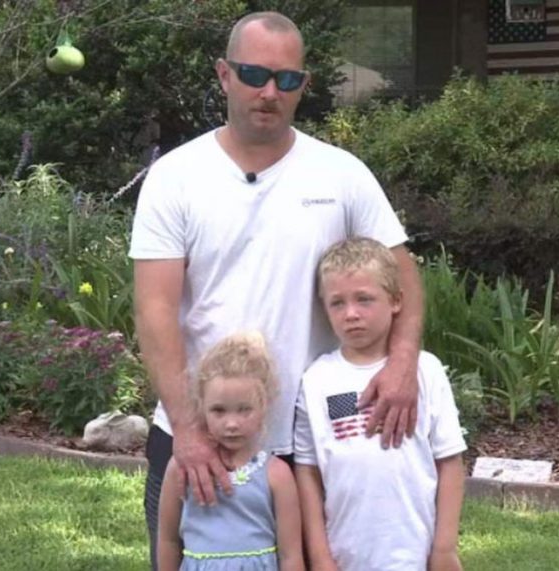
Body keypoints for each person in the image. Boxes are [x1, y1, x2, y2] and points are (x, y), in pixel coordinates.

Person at [129, 11, 424, 569]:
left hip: (313, 436)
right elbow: (155, 308)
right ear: (223, 74)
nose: (270, 91)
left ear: (304, 86)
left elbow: (403, 276)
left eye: (287, 80)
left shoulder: (341, 174)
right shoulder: (176, 176)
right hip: (201, 432)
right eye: (254, 75)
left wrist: (403, 361)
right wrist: (190, 433)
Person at [294, 238, 466, 570]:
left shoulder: (425, 371)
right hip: (346, 554)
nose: (351, 314)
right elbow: (308, 472)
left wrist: (444, 548)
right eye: (337, 303)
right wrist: (319, 555)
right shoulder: (316, 380)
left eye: (364, 299)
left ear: (396, 300)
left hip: (414, 551)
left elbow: (450, 462)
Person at [156, 333, 304, 571]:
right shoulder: (181, 468)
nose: (232, 423)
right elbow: (168, 540)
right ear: (201, 407)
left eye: (244, 410)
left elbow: (291, 555)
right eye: (219, 410)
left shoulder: (276, 474)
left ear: (264, 406)